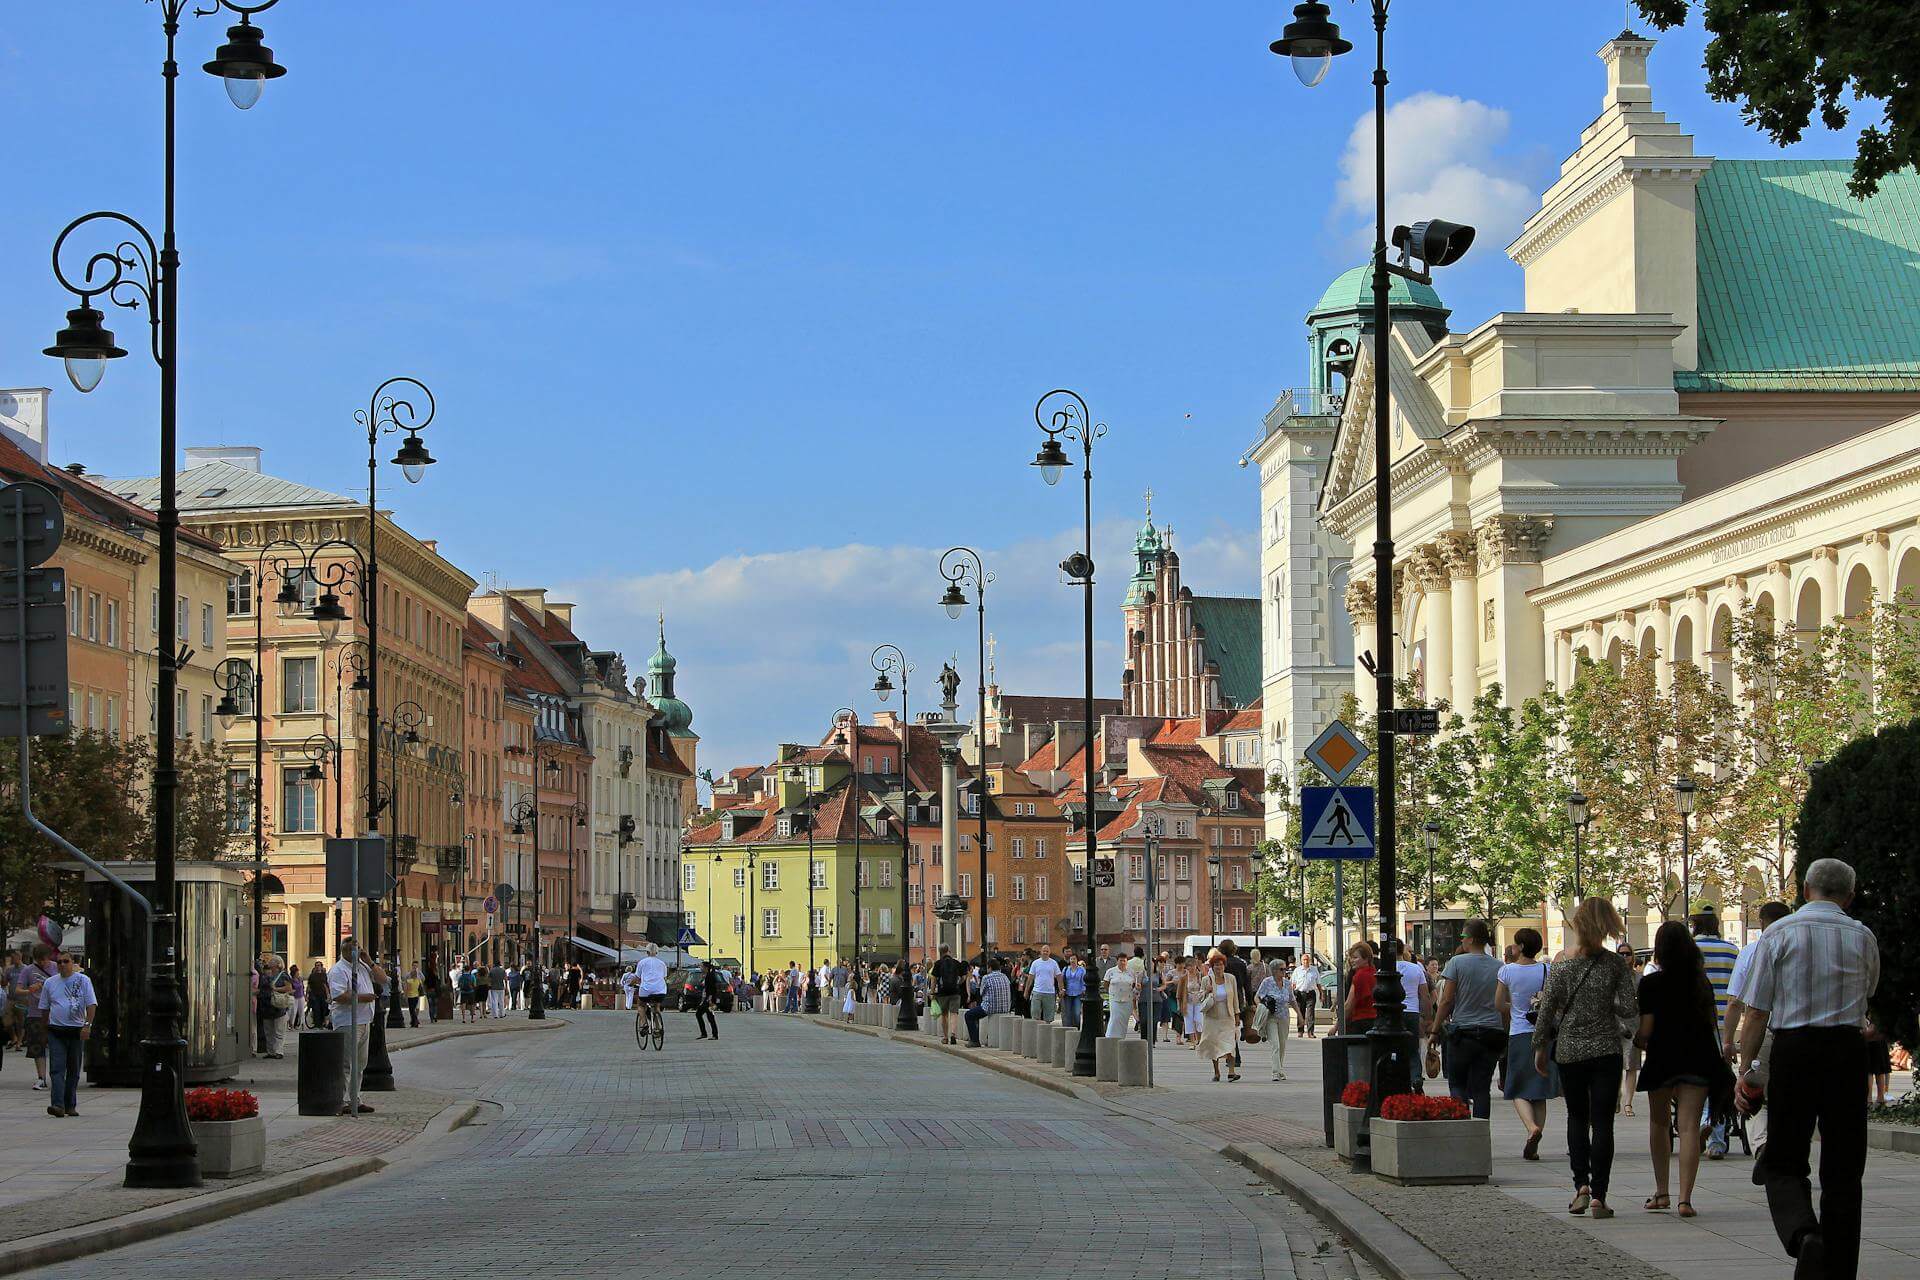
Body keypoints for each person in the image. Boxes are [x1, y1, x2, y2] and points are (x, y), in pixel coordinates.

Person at [1735, 858, 1879, 1280]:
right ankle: (1838, 1270)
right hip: (1847, 1053)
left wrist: (1748, 1068)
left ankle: (1804, 1236)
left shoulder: (1779, 933)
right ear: (1849, 896)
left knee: (1783, 1157)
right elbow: (1868, 993)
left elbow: (1758, 1009)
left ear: (1804, 891)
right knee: (1844, 1169)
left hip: (1795, 1050)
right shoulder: (1863, 936)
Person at [1534, 898, 1637, 1221]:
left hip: (1570, 1051)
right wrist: (1609, 1007)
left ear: (1577, 927)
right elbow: (1630, 1008)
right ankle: (1600, 1196)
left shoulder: (1562, 967)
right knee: (1603, 1121)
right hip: (1606, 1050)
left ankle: (1581, 1186)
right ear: (1608, 926)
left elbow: (1546, 1012)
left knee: (1576, 1117)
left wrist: (1539, 1047)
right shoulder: (1615, 965)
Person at [1637, 921, 1729, 1218]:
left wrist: (1636, 1039)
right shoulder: (1700, 982)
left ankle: (1661, 1192)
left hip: (1663, 1057)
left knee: (1659, 1124)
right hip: (1697, 1057)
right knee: (1689, 1127)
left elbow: (1646, 1030)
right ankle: (1685, 1199)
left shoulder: (1650, 984)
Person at [1497, 926, 1557, 1160]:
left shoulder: (1507, 971)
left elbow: (1499, 1004)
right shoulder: (1547, 969)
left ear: (1521, 947)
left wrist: (1517, 1009)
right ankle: (1537, 1134)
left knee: (1518, 1087)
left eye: (1514, 943)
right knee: (1540, 1089)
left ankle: (1531, 1128)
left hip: (1520, 1032)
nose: (1512, 947)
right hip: (1544, 1033)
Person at [1436, 920, 1506, 1120]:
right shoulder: (1499, 966)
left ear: (1472, 939)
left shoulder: (1456, 963)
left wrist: (1434, 1030)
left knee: (1457, 1084)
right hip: (1491, 1033)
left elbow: (1447, 1000)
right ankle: (1481, 1132)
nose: (1461, 940)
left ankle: (1462, 1127)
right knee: (1482, 1088)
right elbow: (1503, 1004)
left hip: (1463, 1033)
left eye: (1463, 936)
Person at [1690, 907, 1741, 1159]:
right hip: (1725, 1026)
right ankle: (1717, 1142)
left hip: (1696, 1025)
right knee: (1719, 1081)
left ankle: (1700, 1121)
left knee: (1697, 1079)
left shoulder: (1689, 949)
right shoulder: (1732, 951)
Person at [328, 943, 385, 1114]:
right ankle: (343, 1100)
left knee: (360, 1064)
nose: (359, 952)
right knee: (346, 1063)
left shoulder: (362, 967)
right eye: (355, 950)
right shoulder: (339, 970)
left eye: (360, 949)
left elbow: (382, 979)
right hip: (347, 1021)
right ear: (345, 951)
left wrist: (370, 961)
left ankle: (355, 1099)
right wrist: (364, 998)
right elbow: (339, 995)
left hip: (364, 1020)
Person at [36, 951, 95, 1118]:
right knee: (57, 1068)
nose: (62, 965)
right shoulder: (50, 983)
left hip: (76, 1030)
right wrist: (44, 1030)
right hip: (56, 1030)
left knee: (74, 1069)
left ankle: (70, 1105)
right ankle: (58, 1105)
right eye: (59, 962)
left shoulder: (83, 980)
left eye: (65, 961)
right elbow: (45, 1009)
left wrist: (87, 1026)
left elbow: (91, 1005)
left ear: (72, 963)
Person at [13, 945, 54, 1091]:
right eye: (39, 961)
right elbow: (18, 990)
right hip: (35, 1013)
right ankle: (41, 1078)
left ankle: (57, 1076)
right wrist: (29, 990)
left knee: (57, 1047)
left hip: (55, 1014)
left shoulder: (57, 967)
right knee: (38, 1047)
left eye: (45, 960)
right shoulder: (28, 970)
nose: (43, 963)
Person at [1197, 950, 1242, 1082]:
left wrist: (1237, 1014)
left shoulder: (1231, 978)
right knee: (1213, 1044)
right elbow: (1199, 998)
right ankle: (1216, 1072)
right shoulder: (1206, 980)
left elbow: (1235, 999)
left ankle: (1231, 1072)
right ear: (1212, 967)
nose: (1219, 967)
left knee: (1230, 1044)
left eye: (1221, 964)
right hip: (1212, 1017)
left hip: (1227, 1016)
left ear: (1224, 966)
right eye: (1216, 965)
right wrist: (1207, 990)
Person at [1253, 958, 1293, 1081]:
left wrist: (1301, 1016)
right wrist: (1261, 1008)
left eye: (1285, 969)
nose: (1284, 971)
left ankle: (1280, 1069)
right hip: (1270, 1017)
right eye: (1282, 969)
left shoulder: (1287, 983)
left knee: (1282, 1045)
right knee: (1275, 1044)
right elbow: (1257, 997)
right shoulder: (1267, 982)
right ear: (1274, 970)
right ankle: (1276, 1072)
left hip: (1284, 1017)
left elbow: (1292, 1000)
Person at [1616, 942, 1644, 1115]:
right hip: (1614, 1023)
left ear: (1632, 956)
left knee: (1631, 1065)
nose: (1624, 957)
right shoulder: (1611, 977)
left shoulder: (1639, 979)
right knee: (1616, 1063)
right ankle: (1617, 1097)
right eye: (1621, 954)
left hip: (1634, 1024)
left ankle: (1628, 1103)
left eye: (1627, 954)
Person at [965, 959, 1011, 1047]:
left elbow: (981, 992)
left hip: (990, 1007)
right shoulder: (1005, 977)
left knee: (969, 1015)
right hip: (1005, 1007)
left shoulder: (986, 977)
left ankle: (974, 1040)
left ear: (989, 968)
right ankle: (987, 1036)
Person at [257, 954, 293, 1059]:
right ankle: (270, 1051)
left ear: (278, 964)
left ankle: (278, 1051)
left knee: (278, 1031)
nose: (270, 963)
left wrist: (276, 989)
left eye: (272, 961)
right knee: (268, 1031)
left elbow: (289, 988)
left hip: (278, 1006)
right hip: (266, 1005)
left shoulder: (283, 975)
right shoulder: (265, 975)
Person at [931, 944, 966, 1045]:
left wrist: (933, 992)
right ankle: (953, 1034)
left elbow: (933, 979)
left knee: (944, 1015)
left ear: (940, 952)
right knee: (954, 1013)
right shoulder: (956, 962)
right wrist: (958, 983)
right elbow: (963, 976)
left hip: (942, 992)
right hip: (955, 992)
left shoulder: (938, 963)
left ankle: (945, 1037)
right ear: (949, 950)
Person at [1342, 941, 1377, 1036]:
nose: (1351, 960)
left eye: (1355, 957)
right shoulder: (1373, 972)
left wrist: (1337, 1026)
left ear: (1366, 959)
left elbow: (1349, 1004)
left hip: (1360, 1022)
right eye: (1351, 957)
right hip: (1374, 1021)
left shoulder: (1359, 976)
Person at [635, 943, 669, 1031]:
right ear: (657, 952)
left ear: (647, 952)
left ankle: (644, 1023)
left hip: (646, 990)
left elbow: (637, 978)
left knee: (641, 1005)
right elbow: (664, 978)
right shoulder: (662, 964)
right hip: (660, 990)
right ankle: (657, 1027)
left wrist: (631, 984)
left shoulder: (642, 962)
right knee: (656, 1007)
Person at [1024, 945, 1062, 1024]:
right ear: (1041, 952)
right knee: (1035, 1014)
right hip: (1037, 991)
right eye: (1044, 951)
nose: (1045, 952)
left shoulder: (1054, 963)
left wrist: (1061, 989)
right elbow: (1030, 978)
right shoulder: (1035, 963)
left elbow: (1059, 977)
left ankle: (1046, 1033)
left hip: (1050, 993)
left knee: (1048, 1017)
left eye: (1047, 951)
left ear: (1049, 952)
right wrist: (1026, 991)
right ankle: (1036, 1032)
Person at [1103, 952, 1138, 1039]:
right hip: (1115, 998)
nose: (1122, 962)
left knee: (1124, 1019)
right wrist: (1111, 992)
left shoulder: (1131, 972)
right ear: (1117, 961)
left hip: (1127, 999)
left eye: (1124, 961)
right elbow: (1106, 984)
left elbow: (1134, 985)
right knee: (1115, 1018)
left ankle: (1121, 1037)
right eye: (1120, 960)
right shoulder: (1111, 971)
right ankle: (1110, 1036)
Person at [1292, 952, 1321, 1038]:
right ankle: (1300, 1031)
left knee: (1310, 1014)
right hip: (1300, 994)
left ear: (1310, 961)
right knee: (1300, 1013)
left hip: (1310, 994)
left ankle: (1310, 1032)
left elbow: (1318, 983)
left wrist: (1321, 994)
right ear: (1301, 961)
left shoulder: (1314, 970)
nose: (1305, 961)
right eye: (1304, 960)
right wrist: (1292, 994)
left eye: (1307, 960)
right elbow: (1293, 984)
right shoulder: (1297, 970)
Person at [694, 960, 721, 1040]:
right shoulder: (706, 975)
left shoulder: (710, 976)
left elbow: (712, 989)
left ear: (706, 968)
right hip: (707, 999)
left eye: (701, 966)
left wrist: (710, 1000)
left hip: (710, 999)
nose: (700, 968)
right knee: (702, 1015)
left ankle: (713, 1035)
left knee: (709, 1016)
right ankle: (705, 1033)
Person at [1061, 951, 1087, 1028]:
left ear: (1077, 960)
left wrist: (1084, 989)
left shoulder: (1081, 969)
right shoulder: (1066, 969)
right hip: (1068, 993)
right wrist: (1062, 989)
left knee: (1076, 1012)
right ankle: (1069, 1028)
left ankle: (1076, 1028)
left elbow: (1084, 980)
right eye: (1071, 959)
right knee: (1068, 1012)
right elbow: (1062, 980)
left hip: (1078, 993)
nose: (1072, 960)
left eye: (1074, 959)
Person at [308, 958, 334, 1029]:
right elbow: (309, 985)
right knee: (316, 1009)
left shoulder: (324, 975)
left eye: (319, 965)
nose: (317, 967)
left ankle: (323, 1023)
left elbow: (326, 985)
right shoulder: (312, 975)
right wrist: (307, 995)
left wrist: (328, 994)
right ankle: (317, 1024)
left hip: (323, 995)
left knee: (324, 1009)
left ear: (321, 967)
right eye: (316, 965)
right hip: (314, 995)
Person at [402, 964, 423, 1028]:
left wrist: (405, 995)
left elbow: (406, 988)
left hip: (410, 996)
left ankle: (414, 1021)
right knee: (413, 1009)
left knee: (411, 1010)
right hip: (416, 996)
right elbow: (421, 985)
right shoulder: (418, 980)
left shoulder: (409, 981)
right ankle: (414, 1022)